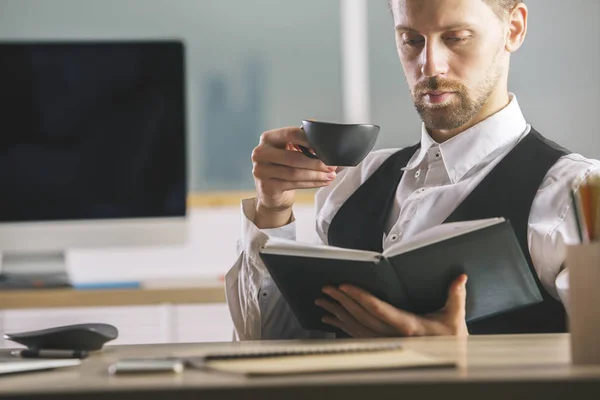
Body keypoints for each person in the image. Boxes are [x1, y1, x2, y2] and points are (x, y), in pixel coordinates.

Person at [225, 0, 600, 340]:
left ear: (513, 28)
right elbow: (271, 343)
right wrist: (272, 210)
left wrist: (468, 360)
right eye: (411, 40)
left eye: (455, 37)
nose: (429, 66)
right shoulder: (356, 182)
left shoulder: (575, 195)